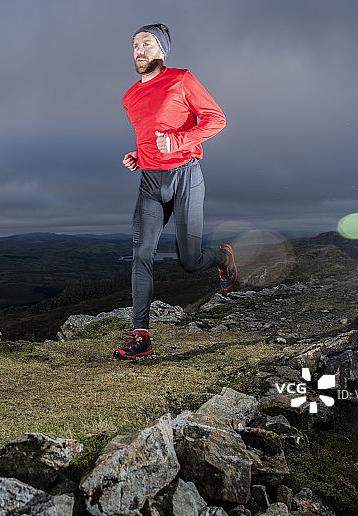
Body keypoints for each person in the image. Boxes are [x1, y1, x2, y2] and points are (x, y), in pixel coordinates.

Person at [113, 23, 237, 359]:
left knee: (189, 261)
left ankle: (222, 258)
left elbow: (216, 119)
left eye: (147, 43)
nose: (139, 50)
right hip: (150, 183)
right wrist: (139, 155)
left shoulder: (182, 79)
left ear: (162, 50)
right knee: (142, 254)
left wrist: (180, 140)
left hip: (186, 177)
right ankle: (141, 336)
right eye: (135, 44)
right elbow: (150, 133)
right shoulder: (129, 97)